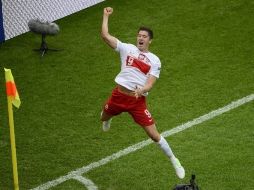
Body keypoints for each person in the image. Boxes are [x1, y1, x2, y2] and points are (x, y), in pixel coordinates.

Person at [100, 7, 185, 179]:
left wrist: (142, 90)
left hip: (137, 101)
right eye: (139, 35)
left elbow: (150, 83)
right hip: (118, 96)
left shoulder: (155, 60)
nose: (140, 38)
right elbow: (105, 36)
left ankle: (174, 160)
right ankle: (108, 118)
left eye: (144, 36)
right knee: (103, 117)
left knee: (154, 135)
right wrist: (105, 16)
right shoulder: (127, 48)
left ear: (150, 41)